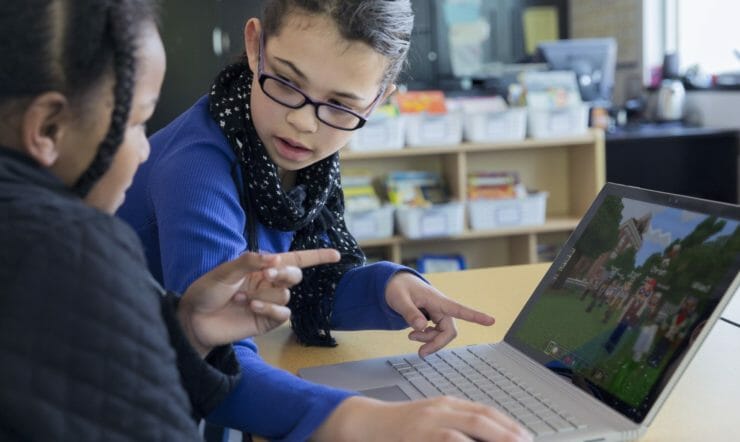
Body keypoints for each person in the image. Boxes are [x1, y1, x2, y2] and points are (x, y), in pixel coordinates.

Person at [118, 0, 531, 440]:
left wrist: (386, 287)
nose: (302, 122)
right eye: (286, 82)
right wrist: (369, 419)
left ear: (376, 101)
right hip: (130, 394)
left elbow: (300, 288)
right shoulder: (195, 168)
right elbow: (216, 364)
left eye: (340, 106)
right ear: (255, 44)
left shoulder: (305, 157)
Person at [0, 1, 340, 440]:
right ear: (47, 128)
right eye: (138, 123)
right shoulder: (71, 244)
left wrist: (185, 336)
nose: (145, 150)